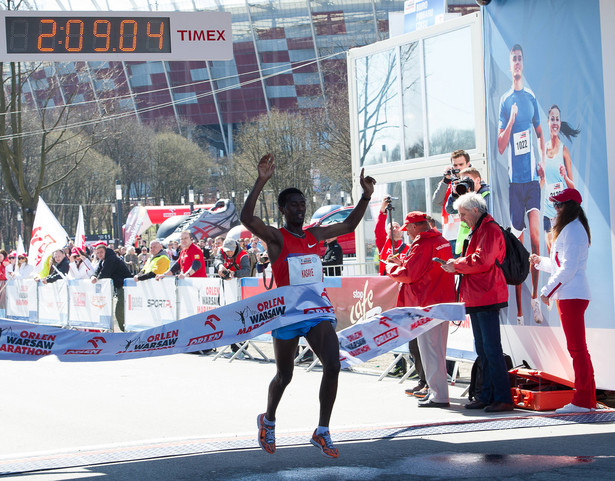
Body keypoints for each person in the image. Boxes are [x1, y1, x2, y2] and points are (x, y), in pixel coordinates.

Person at [240, 153, 375, 459]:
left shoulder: (316, 234)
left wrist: (366, 196)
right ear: (283, 209)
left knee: (334, 364)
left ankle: (322, 431)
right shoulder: (277, 238)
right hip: (288, 314)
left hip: (317, 311)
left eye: (302, 204)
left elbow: (350, 224)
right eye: (293, 205)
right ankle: (268, 419)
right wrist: (261, 180)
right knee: (285, 376)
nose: (299, 209)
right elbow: (247, 220)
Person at [442, 193, 513, 413]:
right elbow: (480, 260)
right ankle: (488, 395)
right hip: (480, 294)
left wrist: (457, 264)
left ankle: (501, 397)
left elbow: (482, 261)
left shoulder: (490, 229)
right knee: (484, 349)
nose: (461, 219)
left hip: (487, 294)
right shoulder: (482, 228)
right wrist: (459, 264)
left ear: (475, 210)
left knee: (490, 349)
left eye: (463, 214)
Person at [530, 188, 595, 413]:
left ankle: (583, 401)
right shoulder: (572, 228)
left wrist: (547, 291)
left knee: (577, 350)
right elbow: (562, 266)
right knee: (578, 350)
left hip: (571, 295)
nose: (555, 209)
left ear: (570, 206)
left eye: (559, 205)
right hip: (570, 294)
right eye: (554, 205)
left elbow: (568, 269)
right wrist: (540, 262)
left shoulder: (573, 229)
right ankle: (586, 400)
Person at [385, 211, 456, 408]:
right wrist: (402, 262)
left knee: (430, 351)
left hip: (426, 303)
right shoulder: (439, 239)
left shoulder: (423, 243)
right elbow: (422, 268)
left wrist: (391, 268)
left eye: (407, 228)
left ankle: (438, 395)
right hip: (440, 301)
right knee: (437, 351)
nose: (406, 232)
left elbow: (408, 275)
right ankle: (437, 392)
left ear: (415, 226)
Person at [498, 43, 546, 326]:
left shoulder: (530, 97)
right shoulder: (506, 101)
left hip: (531, 181)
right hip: (515, 184)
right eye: (513, 59)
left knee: (537, 238)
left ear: (523, 64)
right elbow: (501, 146)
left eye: (519, 59)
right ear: (509, 65)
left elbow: (539, 133)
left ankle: (535, 301)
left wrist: (540, 160)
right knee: (519, 249)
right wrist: (513, 119)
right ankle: (518, 313)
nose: (516, 63)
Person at [375, 195, 416, 381]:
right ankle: (399, 364)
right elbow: (378, 229)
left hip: (403, 292)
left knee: (408, 326)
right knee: (391, 326)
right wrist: (383, 211)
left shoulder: (408, 247)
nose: (394, 229)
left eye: (397, 227)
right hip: (387, 293)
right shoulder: (383, 246)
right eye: (391, 227)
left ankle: (415, 363)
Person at [540, 105, 579, 252]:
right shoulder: (543, 149)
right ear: (548, 122)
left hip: (561, 212)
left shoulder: (564, 150)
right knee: (551, 253)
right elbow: (542, 181)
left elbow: (572, 187)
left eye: (557, 119)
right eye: (552, 119)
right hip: (547, 212)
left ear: (560, 123)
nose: (555, 122)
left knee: (562, 252)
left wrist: (563, 176)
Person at [432, 149, 472, 255]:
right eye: (455, 165)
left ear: (468, 164)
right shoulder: (449, 181)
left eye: (461, 164)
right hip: (450, 234)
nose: (458, 168)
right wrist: (446, 180)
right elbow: (437, 201)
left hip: (467, 232)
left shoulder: (472, 179)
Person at [446, 167, 491, 257]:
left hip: (479, 246)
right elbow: (450, 209)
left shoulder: (486, 195)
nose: (466, 184)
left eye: (468, 181)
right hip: (465, 246)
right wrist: (454, 194)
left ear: (478, 180)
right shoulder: (466, 197)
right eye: (463, 181)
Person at [91, 242, 132, 332]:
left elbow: (105, 273)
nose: (99, 254)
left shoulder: (111, 259)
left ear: (105, 251)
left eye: (101, 252)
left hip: (126, 287)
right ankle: (125, 329)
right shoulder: (103, 260)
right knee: (121, 311)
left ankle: (125, 330)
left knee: (119, 311)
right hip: (120, 287)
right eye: (97, 253)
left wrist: (96, 279)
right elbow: (97, 270)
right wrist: (93, 276)